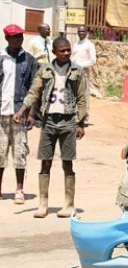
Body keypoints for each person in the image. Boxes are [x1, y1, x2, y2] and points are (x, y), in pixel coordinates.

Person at [14, 37, 87, 218]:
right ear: (54, 52)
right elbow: (34, 92)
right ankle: (43, 204)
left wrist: (80, 123)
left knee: (67, 163)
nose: (66, 53)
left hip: (68, 121)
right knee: (45, 162)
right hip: (48, 122)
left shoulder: (77, 71)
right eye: (62, 51)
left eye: (68, 50)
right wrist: (23, 111)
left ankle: (69, 204)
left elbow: (82, 99)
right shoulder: (45, 69)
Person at [0, 24, 38, 204]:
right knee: (0, 153)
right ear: (7, 39)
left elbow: (35, 89)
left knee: (20, 152)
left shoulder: (29, 60)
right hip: (1, 113)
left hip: (19, 114)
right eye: (14, 38)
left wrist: (32, 114)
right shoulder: (1, 58)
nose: (18, 40)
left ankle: (19, 189)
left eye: (20, 37)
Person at [72, 26, 96, 123]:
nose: (81, 33)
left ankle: (84, 118)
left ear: (86, 32)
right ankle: (76, 115)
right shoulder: (76, 44)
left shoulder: (89, 45)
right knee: (74, 94)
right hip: (74, 72)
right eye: (79, 31)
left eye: (83, 31)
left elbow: (93, 61)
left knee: (84, 95)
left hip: (83, 72)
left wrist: (80, 66)